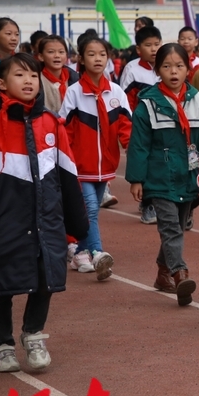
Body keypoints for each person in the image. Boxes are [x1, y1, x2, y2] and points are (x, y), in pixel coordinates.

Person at [0, 53, 88, 372]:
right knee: (0, 284)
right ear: (1, 83)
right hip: (1, 221)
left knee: (46, 279)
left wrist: (77, 223)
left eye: (33, 75)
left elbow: (68, 175)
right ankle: (3, 344)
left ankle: (33, 333)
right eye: (19, 75)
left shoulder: (51, 123)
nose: (28, 81)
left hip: (46, 220)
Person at [127, 43, 199, 306]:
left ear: (188, 68)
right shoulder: (147, 104)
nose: (173, 72)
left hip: (188, 175)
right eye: (166, 66)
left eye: (179, 66)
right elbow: (138, 145)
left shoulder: (198, 100)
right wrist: (137, 179)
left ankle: (162, 273)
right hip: (159, 176)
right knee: (170, 227)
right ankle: (180, 273)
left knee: (178, 227)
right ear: (157, 70)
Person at [60, 37, 131, 279]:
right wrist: (67, 162)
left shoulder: (116, 92)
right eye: (91, 54)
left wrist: (132, 153)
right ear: (81, 58)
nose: (97, 59)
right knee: (90, 208)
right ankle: (98, 254)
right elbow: (65, 131)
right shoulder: (74, 93)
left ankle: (80, 252)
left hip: (106, 165)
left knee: (91, 213)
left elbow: (126, 126)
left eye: (102, 54)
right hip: (80, 166)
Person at [119, 25, 162, 111]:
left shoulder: (168, 67)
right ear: (138, 49)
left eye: (157, 44)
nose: (153, 49)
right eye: (148, 45)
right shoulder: (132, 69)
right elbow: (126, 102)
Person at [37, 35, 77, 114]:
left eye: (61, 52)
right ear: (41, 56)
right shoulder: (36, 80)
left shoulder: (75, 79)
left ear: (66, 56)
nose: (57, 56)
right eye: (51, 52)